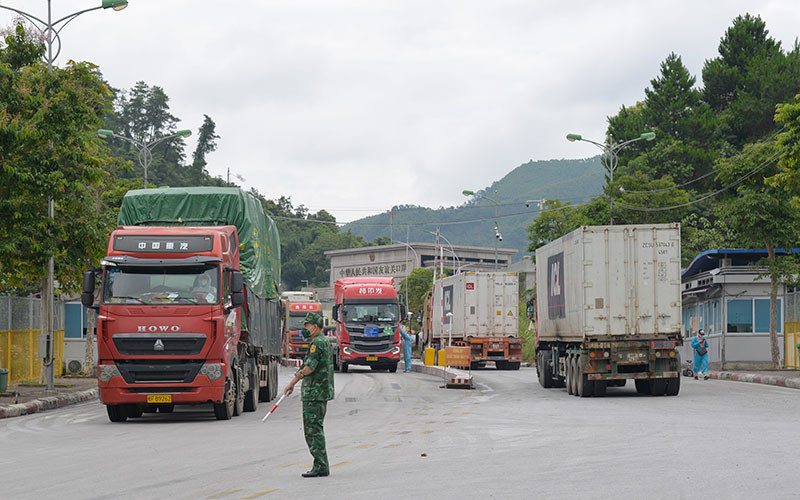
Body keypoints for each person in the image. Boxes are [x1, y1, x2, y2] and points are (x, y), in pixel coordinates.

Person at [283, 312, 334, 478]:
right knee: (316, 428)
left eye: (307, 325)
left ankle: (320, 465)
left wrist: (293, 382)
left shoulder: (317, 343)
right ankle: (320, 464)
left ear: (316, 326)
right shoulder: (323, 341)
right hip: (319, 392)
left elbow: (309, 368)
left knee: (313, 430)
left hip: (314, 392)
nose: (304, 328)